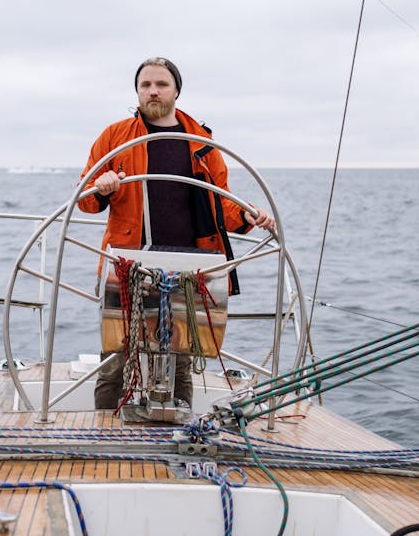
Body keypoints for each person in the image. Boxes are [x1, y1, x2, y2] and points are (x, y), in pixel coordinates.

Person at [78, 56, 275, 410]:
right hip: (127, 262)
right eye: (146, 85)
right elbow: (85, 200)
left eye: (161, 84)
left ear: (176, 90)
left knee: (181, 362)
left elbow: (220, 206)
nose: (153, 91)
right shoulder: (114, 137)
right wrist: (102, 187)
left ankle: (180, 432)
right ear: (137, 92)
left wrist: (247, 215)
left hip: (185, 266)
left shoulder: (200, 142)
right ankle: (102, 433)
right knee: (115, 363)